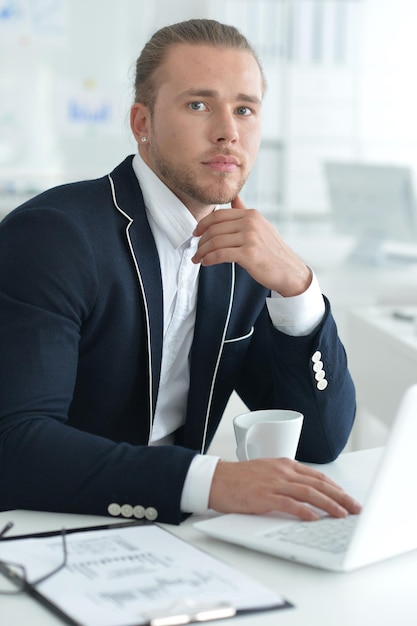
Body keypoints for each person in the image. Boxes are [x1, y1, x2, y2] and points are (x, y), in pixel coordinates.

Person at [0, 19, 361, 525]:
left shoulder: (246, 255)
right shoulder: (53, 237)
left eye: (244, 109)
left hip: (176, 541)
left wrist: (298, 289)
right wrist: (210, 480)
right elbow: (16, 447)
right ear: (141, 122)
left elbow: (319, 443)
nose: (228, 132)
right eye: (198, 105)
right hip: (48, 529)